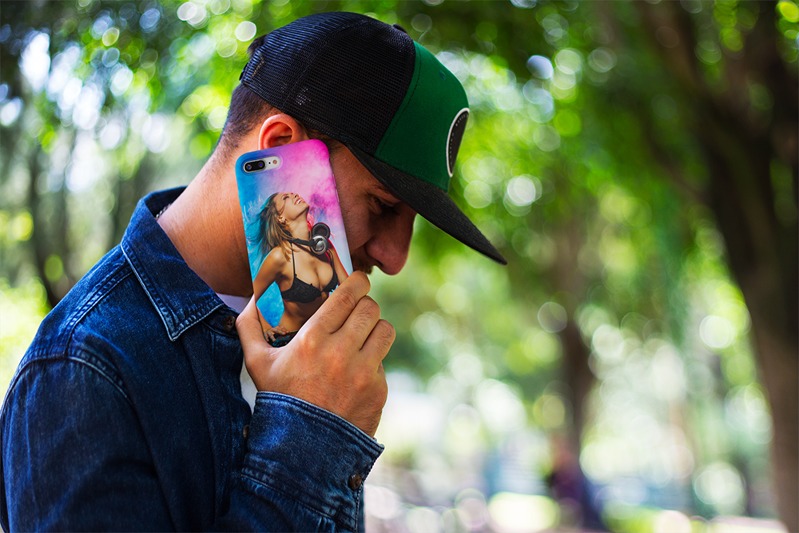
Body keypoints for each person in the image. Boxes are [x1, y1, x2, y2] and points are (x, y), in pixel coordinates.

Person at [0, 11, 506, 532]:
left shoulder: (306, 340)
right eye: (382, 205)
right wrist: (309, 434)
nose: (396, 258)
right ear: (281, 147)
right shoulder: (82, 369)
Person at [253, 191, 349, 346]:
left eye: (292, 193)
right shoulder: (279, 256)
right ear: (280, 218)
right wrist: (265, 328)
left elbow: (348, 289)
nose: (294, 195)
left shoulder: (323, 245)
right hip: (290, 341)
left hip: (326, 336)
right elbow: (250, 299)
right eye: (286, 198)